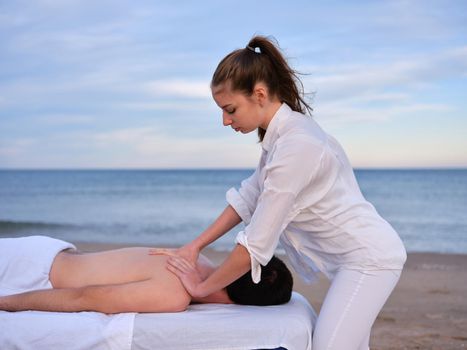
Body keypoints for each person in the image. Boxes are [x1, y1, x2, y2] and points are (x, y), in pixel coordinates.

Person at [151, 35, 407, 350]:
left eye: (230, 109)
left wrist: (201, 288)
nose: (224, 120)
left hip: (370, 258)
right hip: (350, 260)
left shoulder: (297, 144)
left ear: (259, 94)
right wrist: (193, 247)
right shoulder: (280, 139)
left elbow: (255, 245)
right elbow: (248, 198)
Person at [0, 235, 293, 314]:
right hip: (28, 271)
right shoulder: (174, 295)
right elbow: (84, 297)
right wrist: (6, 302)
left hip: (44, 251)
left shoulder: (196, 257)